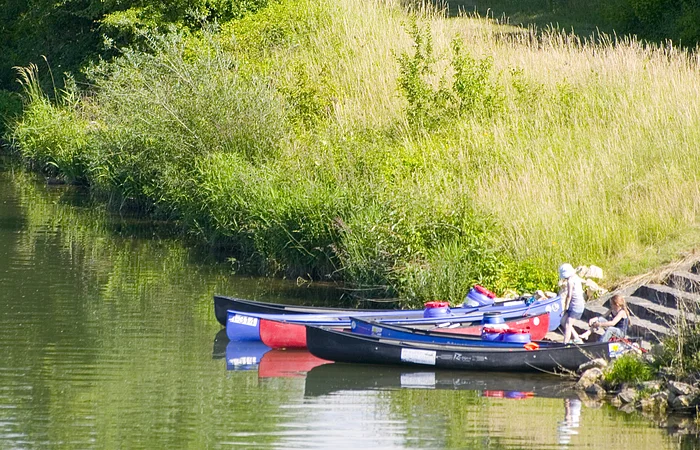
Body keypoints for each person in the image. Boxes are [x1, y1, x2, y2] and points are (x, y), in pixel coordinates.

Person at [559, 263, 585, 345]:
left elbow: (569, 296)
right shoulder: (576, 277)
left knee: (568, 324)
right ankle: (577, 338)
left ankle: (565, 342)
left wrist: (565, 307)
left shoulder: (570, 281)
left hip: (576, 306)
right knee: (563, 321)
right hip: (575, 304)